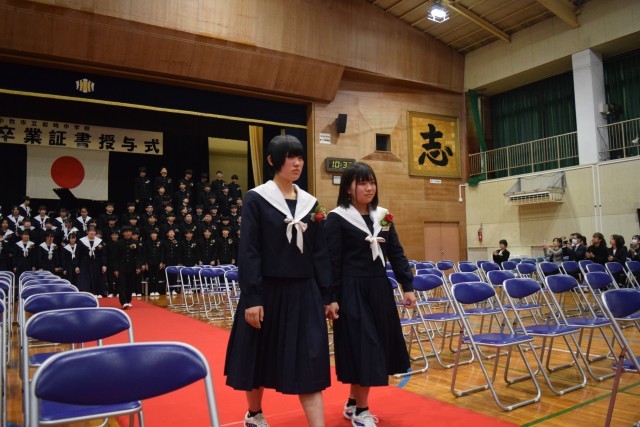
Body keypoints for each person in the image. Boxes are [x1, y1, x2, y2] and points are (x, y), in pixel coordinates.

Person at [224, 135, 335, 427]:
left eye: (300, 157)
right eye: (289, 157)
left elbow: (320, 253)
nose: (297, 163)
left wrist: (328, 295)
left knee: (310, 360)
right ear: (273, 161)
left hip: (304, 292)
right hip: (267, 292)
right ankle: (254, 414)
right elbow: (249, 250)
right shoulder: (256, 198)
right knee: (257, 357)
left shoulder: (311, 204)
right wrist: (253, 297)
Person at [324, 161, 416, 426]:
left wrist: (407, 286)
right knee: (364, 347)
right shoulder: (337, 218)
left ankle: (353, 404)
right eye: (362, 183)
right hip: (350, 291)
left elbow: (396, 253)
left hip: (379, 289)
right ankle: (362, 411)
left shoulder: (382, 217)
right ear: (348, 188)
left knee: (372, 347)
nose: (369, 188)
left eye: (372, 182)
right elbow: (331, 262)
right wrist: (330, 297)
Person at [114, 226, 141, 309]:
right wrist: (116, 269)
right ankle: (123, 301)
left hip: (132, 267)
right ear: (123, 233)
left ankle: (128, 300)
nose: (128, 233)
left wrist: (138, 267)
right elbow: (115, 257)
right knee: (122, 284)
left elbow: (139, 256)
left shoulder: (135, 242)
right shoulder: (118, 243)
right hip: (121, 267)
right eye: (126, 232)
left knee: (130, 284)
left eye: (129, 231)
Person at [77, 226, 108, 297]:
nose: (92, 232)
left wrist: (104, 264)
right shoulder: (81, 241)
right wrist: (77, 265)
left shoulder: (99, 241)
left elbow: (104, 254)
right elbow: (78, 254)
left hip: (97, 263)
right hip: (84, 263)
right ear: (87, 232)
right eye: (90, 231)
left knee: (97, 277)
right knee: (86, 279)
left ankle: (98, 292)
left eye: (94, 231)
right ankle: (87, 293)